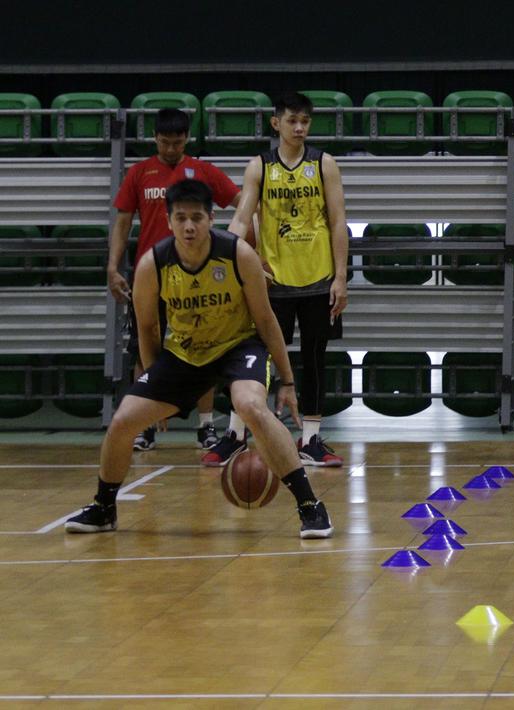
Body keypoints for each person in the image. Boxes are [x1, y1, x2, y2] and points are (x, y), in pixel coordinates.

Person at [66, 180, 333, 538]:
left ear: (211, 218)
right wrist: (156, 386)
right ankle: (103, 508)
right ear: (168, 220)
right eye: (180, 218)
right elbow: (147, 329)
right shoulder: (153, 264)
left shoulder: (238, 254)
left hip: (238, 346)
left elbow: (266, 320)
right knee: (123, 421)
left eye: (196, 218)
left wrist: (287, 381)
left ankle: (310, 506)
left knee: (251, 406)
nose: (189, 226)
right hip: (185, 354)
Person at [209, 92, 349, 468]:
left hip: (319, 278)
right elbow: (241, 217)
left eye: (305, 121)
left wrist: (341, 277)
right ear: (276, 123)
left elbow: (339, 222)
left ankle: (312, 439)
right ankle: (236, 434)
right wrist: (228, 259)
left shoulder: (324, 164)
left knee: (315, 360)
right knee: (255, 358)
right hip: (273, 281)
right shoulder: (260, 166)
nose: (299, 127)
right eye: (292, 121)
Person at [107, 108, 242, 452]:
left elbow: (243, 201)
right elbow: (122, 222)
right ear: (155, 138)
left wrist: (238, 245)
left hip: (196, 278)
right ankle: (146, 425)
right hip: (150, 277)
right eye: (165, 142)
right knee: (145, 346)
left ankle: (207, 427)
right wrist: (113, 266)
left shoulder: (203, 172)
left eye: (177, 142)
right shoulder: (139, 173)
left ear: (187, 139)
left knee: (203, 350)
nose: (171, 148)